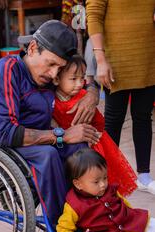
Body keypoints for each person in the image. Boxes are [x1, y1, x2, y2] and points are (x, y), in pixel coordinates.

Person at [0, 20, 102, 225]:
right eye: (51, 63)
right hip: (5, 144)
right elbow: (6, 132)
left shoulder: (47, 76)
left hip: (39, 139)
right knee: (49, 155)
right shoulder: (7, 70)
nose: (54, 74)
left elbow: (81, 78)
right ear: (33, 48)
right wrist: (61, 135)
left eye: (59, 67)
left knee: (80, 150)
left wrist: (92, 93)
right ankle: (61, 229)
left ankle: (87, 217)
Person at [57, 148, 155, 232]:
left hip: (134, 223)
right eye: (96, 182)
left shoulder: (109, 190)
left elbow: (124, 204)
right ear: (78, 183)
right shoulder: (74, 206)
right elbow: (63, 229)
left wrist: (135, 217)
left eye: (105, 178)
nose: (103, 184)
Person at [86, 0, 155, 194]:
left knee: (143, 116)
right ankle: (106, 178)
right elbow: (94, 15)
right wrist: (100, 60)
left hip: (148, 57)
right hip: (115, 60)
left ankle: (144, 176)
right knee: (113, 121)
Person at [52, 54, 137, 197]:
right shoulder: (50, 100)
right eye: (73, 79)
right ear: (56, 79)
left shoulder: (84, 98)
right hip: (65, 145)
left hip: (91, 144)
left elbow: (99, 122)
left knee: (99, 181)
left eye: (82, 78)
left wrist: (93, 132)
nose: (79, 84)